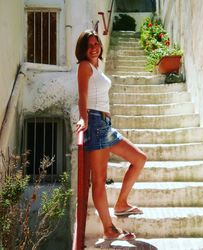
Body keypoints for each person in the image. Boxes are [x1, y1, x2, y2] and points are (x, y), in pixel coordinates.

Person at [75, 30, 147, 241]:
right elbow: (83, 95)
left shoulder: (97, 67)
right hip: (95, 122)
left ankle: (121, 203)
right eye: (89, 45)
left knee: (139, 158)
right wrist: (83, 119)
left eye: (96, 43)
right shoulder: (84, 66)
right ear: (83, 49)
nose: (94, 47)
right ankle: (109, 228)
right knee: (98, 180)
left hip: (106, 125)